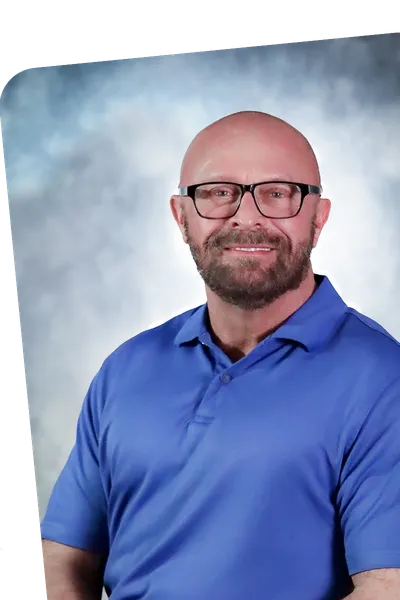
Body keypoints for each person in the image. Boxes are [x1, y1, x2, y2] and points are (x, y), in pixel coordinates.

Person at [40, 111, 400, 599]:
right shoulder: (125, 369)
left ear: (318, 217)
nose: (246, 218)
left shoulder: (383, 380)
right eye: (218, 192)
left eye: (278, 193)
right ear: (181, 216)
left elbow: (387, 586)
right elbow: (64, 557)